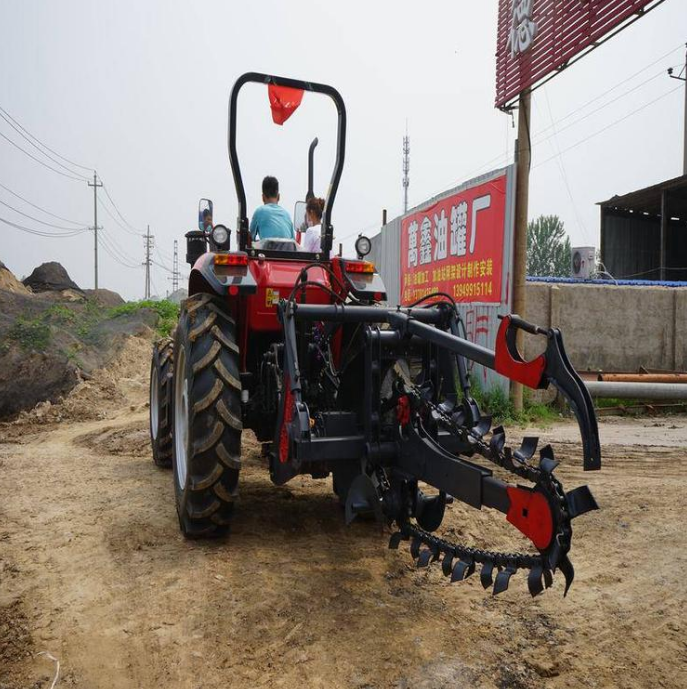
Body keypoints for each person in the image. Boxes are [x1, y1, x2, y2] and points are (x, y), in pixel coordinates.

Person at [249, 176, 295, 241]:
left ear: (263, 197)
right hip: (286, 250)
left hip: (267, 250)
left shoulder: (259, 212)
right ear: (278, 197)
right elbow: (293, 241)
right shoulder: (287, 215)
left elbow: (250, 239)